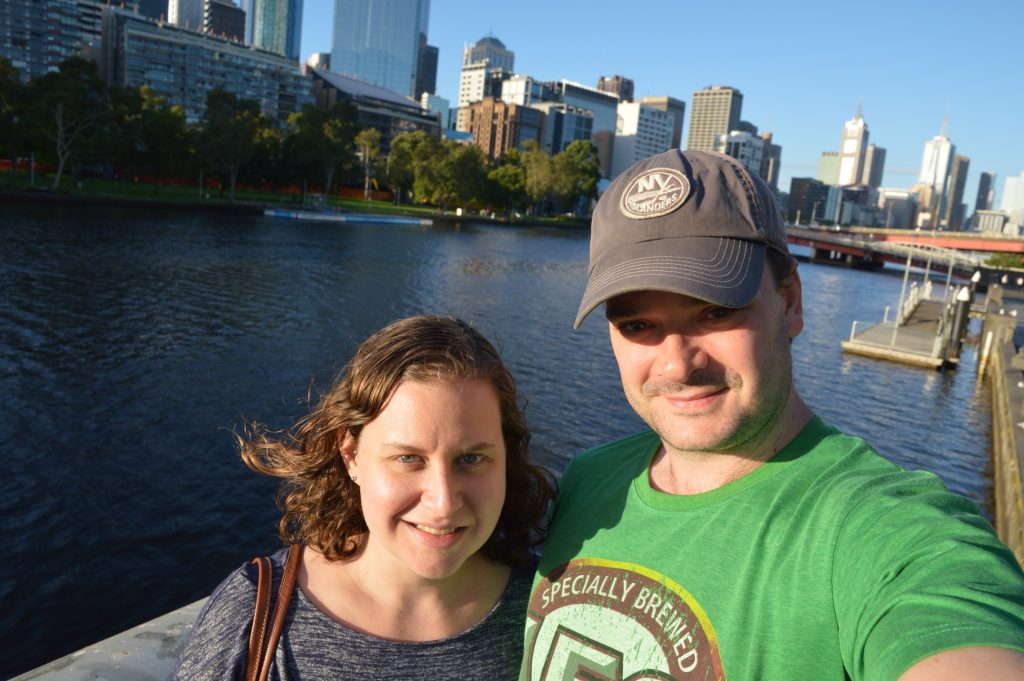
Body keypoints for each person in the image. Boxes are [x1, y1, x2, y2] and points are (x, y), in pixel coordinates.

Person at [521, 149, 1024, 680]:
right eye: (637, 325)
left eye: (716, 311)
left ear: (790, 302)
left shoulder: (882, 529)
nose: (677, 363)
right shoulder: (589, 481)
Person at [175, 315, 554, 680]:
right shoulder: (254, 614)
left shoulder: (555, 610)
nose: (443, 503)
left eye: (471, 459)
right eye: (408, 458)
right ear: (351, 456)